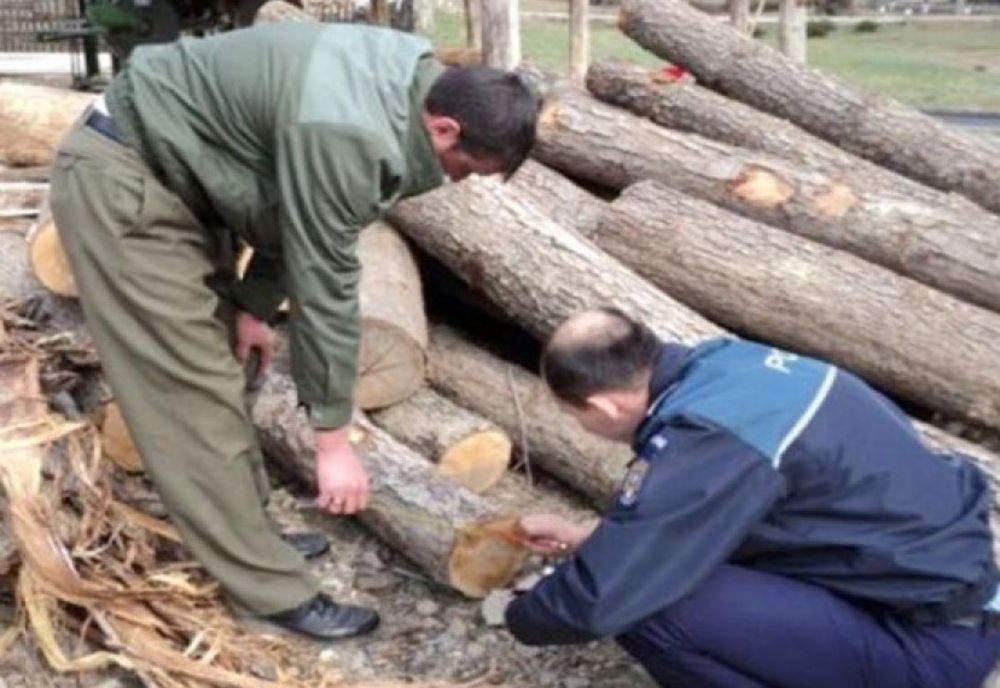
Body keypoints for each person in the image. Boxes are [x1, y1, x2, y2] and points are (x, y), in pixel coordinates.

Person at [49, 21, 538, 640]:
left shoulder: (410, 83)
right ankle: (269, 592)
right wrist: (332, 440)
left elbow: (297, 205)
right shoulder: (351, 132)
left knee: (229, 362)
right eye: (464, 169)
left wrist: (254, 305)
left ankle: (249, 533)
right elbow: (324, 280)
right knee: (190, 395)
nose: (456, 181)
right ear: (444, 129)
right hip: (128, 181)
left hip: (184, 175)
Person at [504, 308, 1000, 688]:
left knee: (650, 608)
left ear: (604, 405)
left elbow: (608, 595)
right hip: (955, 597)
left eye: (576, 416)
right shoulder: (730, 366)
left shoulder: (710, 436)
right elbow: (705, 522)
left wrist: (520, 613)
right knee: (664, 575)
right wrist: (586, 538)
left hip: (927, 648)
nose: (582, 427)